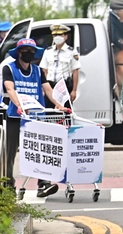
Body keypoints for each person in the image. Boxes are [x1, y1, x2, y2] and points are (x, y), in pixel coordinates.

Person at [2, 38, 68, 196]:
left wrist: (58, 104)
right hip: (15, 116)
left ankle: (43, 183)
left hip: (36, 117)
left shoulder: (37, 71)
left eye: (32, 51)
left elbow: (48, 90)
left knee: (40, 151)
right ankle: (8, 185)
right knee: (9, 152)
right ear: (19, 52)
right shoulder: (9, 69)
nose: (29, 53)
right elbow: (10, 89)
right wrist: (19, 105)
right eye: (26, 50)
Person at [39, 24, 81, 108]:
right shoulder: (48, 51)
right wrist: (44, 87)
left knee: (65, 113)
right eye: (55, 35)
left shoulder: (72, 52)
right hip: (50, 86)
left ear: (66, 36)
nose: (57, 37)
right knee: (50, 112)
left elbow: (75, 71)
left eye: (60, 35)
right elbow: (44, 70)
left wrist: (74, 90)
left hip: (64, 87)